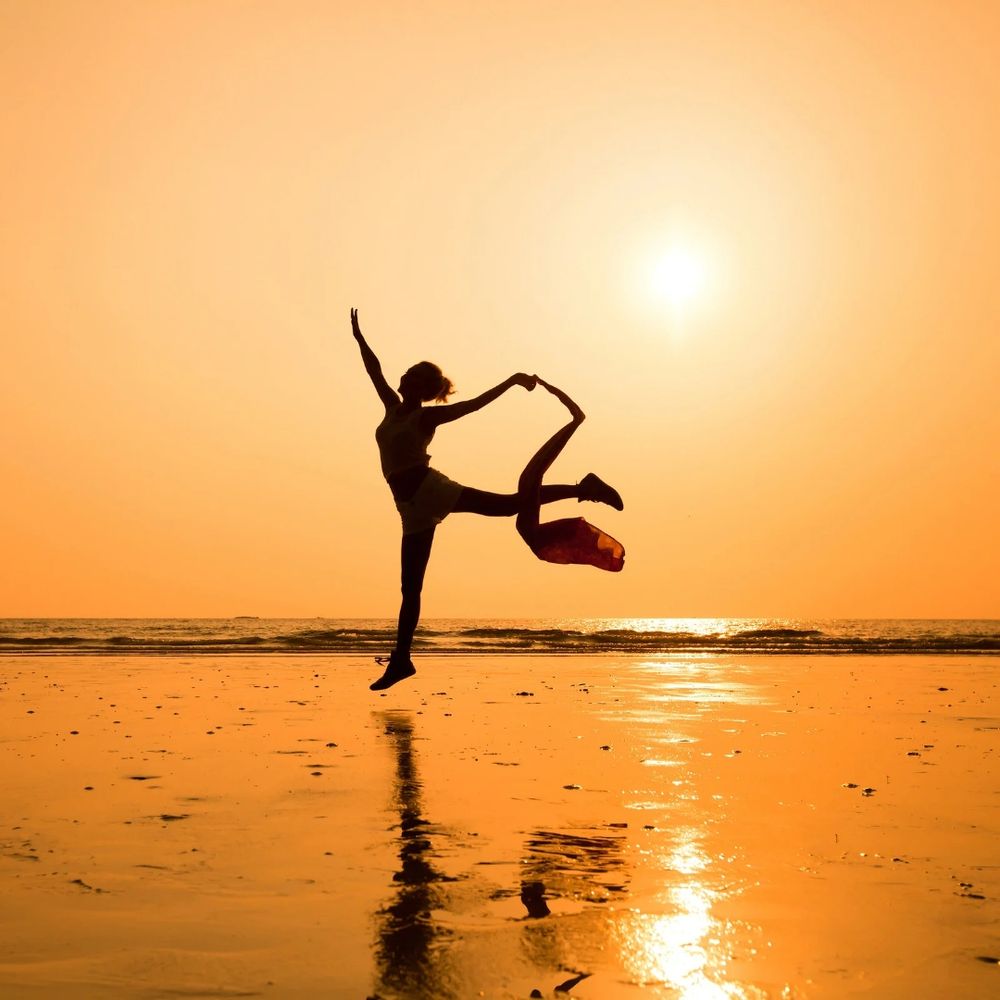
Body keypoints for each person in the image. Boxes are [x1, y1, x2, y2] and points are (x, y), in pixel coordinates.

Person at [351, 308, 623, 691]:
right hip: (409, 509)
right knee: (410, 588)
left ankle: (583, 489)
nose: (402, 375)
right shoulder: (392, 408)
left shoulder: (424, 419)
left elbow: (476, 404)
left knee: (511, 504)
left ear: (419, 386)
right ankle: (402, 661)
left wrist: (512, 381)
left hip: (430, 490)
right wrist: (360, 339)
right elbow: (374, 371)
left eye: (410, 373)